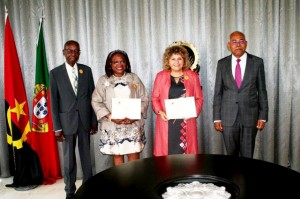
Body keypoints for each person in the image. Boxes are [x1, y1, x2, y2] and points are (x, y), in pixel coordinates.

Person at [49, 40, 97, 199]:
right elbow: (54, 102)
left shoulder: (86, 71)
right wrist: (57, 127)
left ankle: (88, 188)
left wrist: (93, 121)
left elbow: (92, 97)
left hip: (84, 121)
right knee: (69, 160)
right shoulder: (55, 73)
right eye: (70, 50)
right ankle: (69, 191)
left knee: (86, 158)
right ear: (63, 52)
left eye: (76, 51)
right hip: (66, 122)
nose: (73, 54)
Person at [213, 31, 268, 158]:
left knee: (248, 155)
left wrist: (263, 116)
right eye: (234, 42)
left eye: (241, 41)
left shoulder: (257, 62)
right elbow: (218, 92)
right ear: (229, 45)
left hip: (250, 117)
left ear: (246, 43)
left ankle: (246, 178)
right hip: (228, 117)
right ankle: (232, 178)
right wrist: (217, 118)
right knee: (231, 155)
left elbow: (262, 90)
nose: (238, 44)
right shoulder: (222, 64)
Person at [91, 50, 149, 166]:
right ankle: (122, 183)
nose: (119, 65)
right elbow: (96, 101)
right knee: (117, 154)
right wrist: (111, 116)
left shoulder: (134, 78)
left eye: (122, 61)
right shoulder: (103, 80)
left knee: (134, 155)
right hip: (113, 124)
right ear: (110, 64)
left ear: (126, 63)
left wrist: (135, 115)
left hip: (132, 125)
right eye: (115, 62)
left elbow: (145, 98)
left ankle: (135, 183)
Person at [151, 45, 204, 156]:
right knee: (166, 156)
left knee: (187, 158)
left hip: (186, 121)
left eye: (179, 58)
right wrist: (160, 112)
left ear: (184, 60)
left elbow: (199, 98)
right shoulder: (160, 76)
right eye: (173, 59)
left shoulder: (193, 76)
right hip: (167, 122)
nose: (176, 62)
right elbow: (155, 98)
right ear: (168, 61)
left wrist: (193, 113)